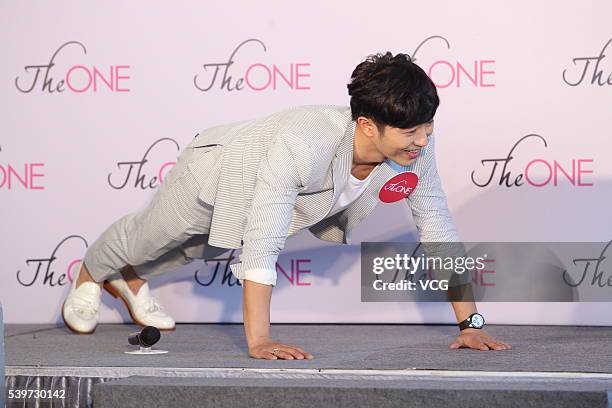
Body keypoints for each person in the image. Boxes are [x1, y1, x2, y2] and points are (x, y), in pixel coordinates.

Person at [61, 52, 511, 359]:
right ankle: (90, 272)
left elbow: (438, 231)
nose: (424, 139)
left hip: (265, 180)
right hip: (217, 172)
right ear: (367, 125)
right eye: (412, 131)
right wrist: (258, 341)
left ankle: (132, 280)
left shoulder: (416, 149)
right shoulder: (304, 142)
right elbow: (263, 243)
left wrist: (468, 323)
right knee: (152, 236)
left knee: (202, 250)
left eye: (428, 126)